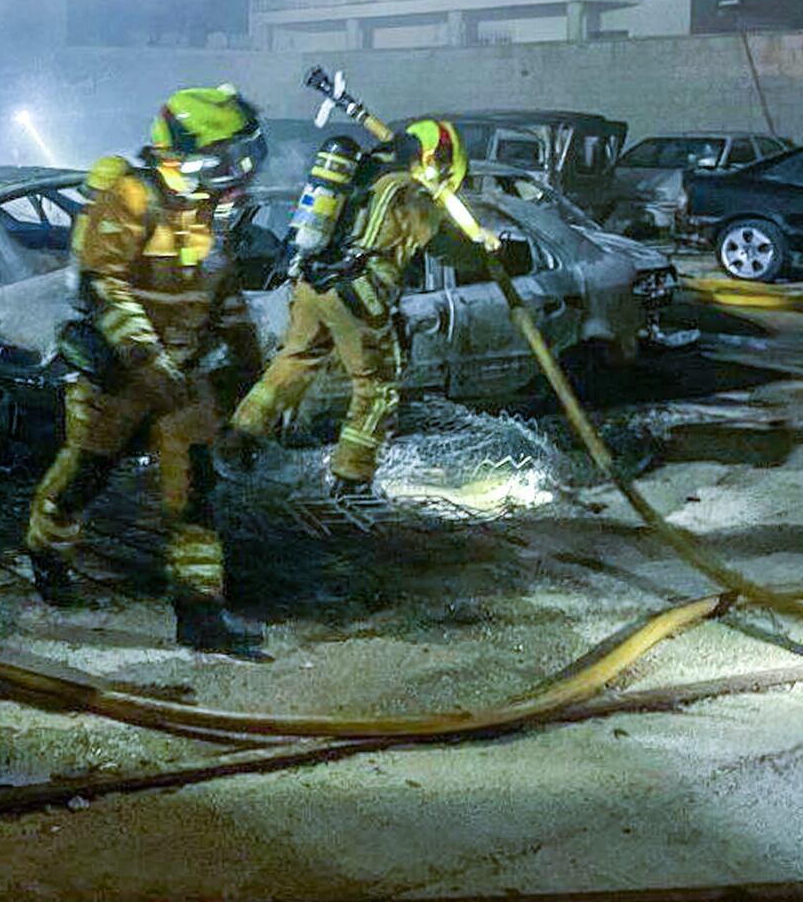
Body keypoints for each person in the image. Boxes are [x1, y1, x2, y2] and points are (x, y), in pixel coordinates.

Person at [24, 85, 271, 659]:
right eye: (227, 157)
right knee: (84, 476)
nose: (239, 172)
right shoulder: (132, 198)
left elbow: (224, 295)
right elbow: (102, 282)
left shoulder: (209, 212)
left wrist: (247, 362)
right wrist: (145, 356)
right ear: (183, 155)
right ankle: (46, 550)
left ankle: (200, 615)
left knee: (194, 494)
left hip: (180, 380)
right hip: (120, 377)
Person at [226, 118, 470, 495]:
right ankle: (352, 479)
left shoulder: (363, 171)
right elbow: (445, 248)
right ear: (434, 159)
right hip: (356, 293)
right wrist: (484, 246)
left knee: (295, 359)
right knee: (377, 386)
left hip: (310, 284)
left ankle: (240, 440)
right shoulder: (407, 191)